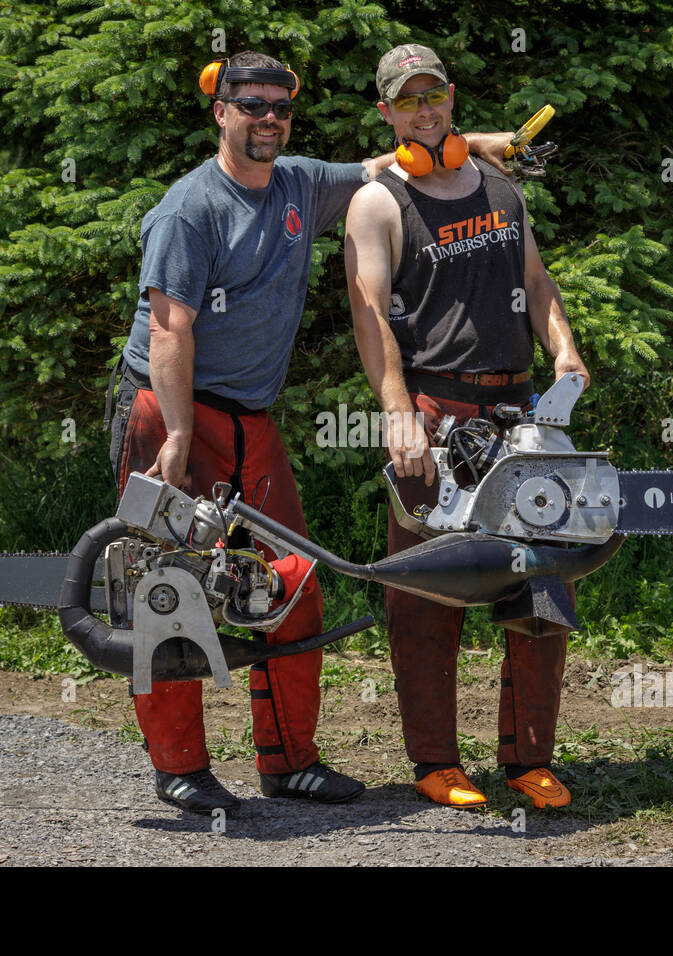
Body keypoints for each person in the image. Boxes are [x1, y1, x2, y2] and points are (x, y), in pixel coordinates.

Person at [108, 51, 516, 815]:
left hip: (251, 419)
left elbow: (386, 159)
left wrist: (478, 142)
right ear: (219, 111)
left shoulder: (299, 182)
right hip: (170, 410)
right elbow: (170, 331)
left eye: (279, 108)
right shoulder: (188, 209)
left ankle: (288, 763)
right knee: (169, 588)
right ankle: (180, 768)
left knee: (291, 582)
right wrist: (174, 438)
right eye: (251, 105)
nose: (267, 119)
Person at [344, 44, 592, 810]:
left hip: (517, 409)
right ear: (387, 112)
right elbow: (369, 313)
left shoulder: (497, 185)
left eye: (435, 96)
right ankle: (436, 762)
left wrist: (567, 351)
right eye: (407, 101)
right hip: (434, 411)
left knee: (540, 582)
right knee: (426, 597)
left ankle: (529, 761)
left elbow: (536, 280)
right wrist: (397, 414)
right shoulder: (379, 201)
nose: (426, 110)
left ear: (452, 98)